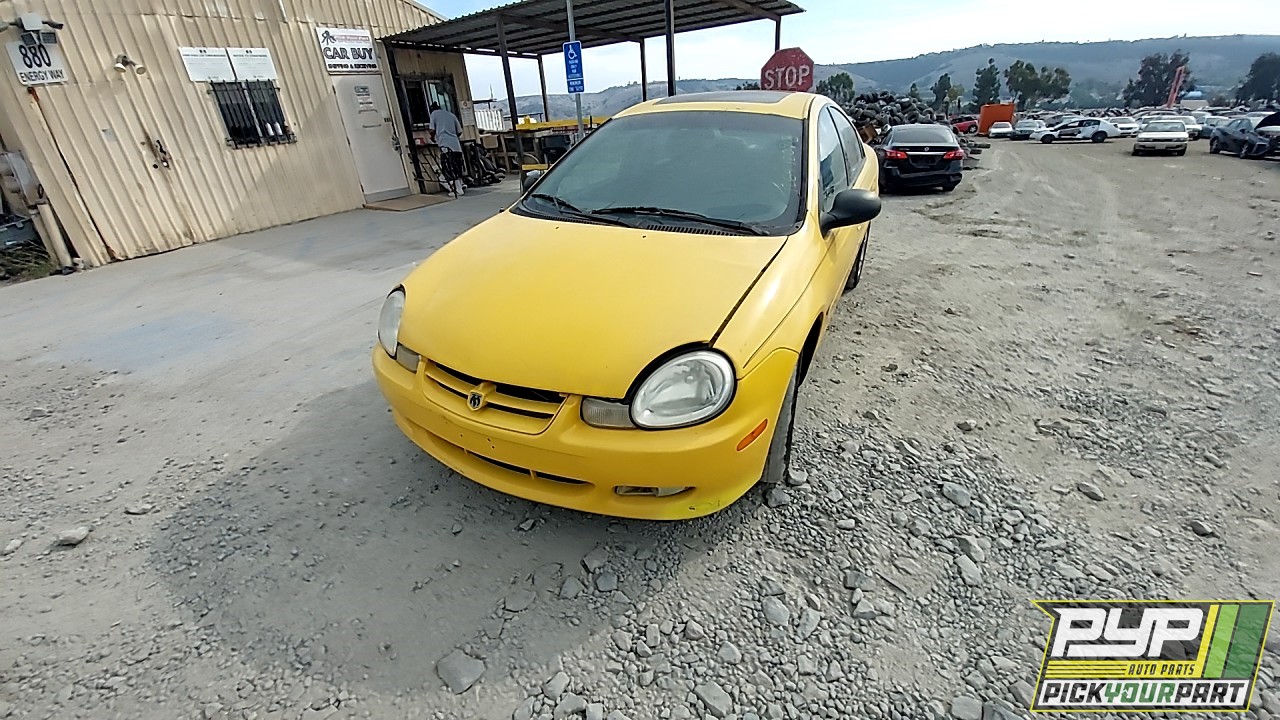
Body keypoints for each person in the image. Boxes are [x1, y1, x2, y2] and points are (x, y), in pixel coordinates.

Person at [429, 102, 465, 196]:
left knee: (449, 168)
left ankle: (457, 190)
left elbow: (432, 130)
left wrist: (433, 138)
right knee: (458, 166)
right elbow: (459, 131)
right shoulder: (451, 115)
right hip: (456, 145)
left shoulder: (434, 114)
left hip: (445, 145)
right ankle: (460, 185)